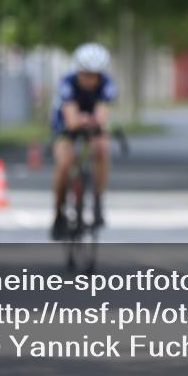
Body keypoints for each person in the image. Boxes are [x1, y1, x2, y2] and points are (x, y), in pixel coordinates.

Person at [49, 42, 116, 240]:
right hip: (65, 125)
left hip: (90, 122)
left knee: (102, 147)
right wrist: (83, 120)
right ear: (77, 71)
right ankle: (58, 213)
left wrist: (94, 121)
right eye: (85, 74)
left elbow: (102, 114)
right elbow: (71, 120)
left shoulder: (108, 84)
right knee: (64, 163)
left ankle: (97, 201)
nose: (89, 80)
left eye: (94, 75)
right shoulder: (66, 83)